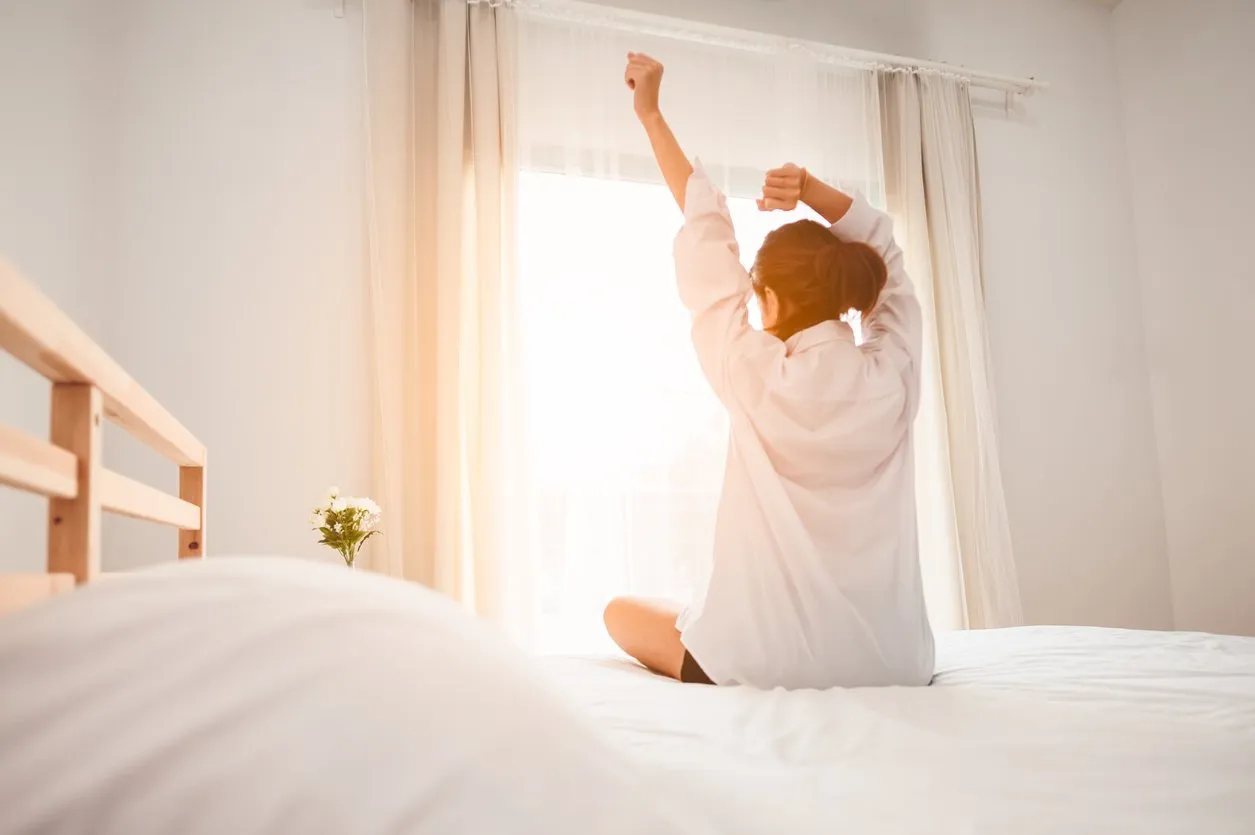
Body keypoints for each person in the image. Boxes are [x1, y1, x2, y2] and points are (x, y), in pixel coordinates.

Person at [602, 53, 935, 690]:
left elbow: (705, 226)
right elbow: (887, 258)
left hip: (758, 663)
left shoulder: (753, 374)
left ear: (769, 297)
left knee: (618, 612)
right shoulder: (892, 378)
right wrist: (810, 189)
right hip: (895, 664)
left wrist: (650, 113)